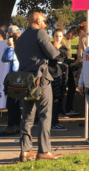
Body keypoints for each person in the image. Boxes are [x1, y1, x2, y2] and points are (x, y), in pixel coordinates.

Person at [15, 12, 62, 161]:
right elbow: (53, 54)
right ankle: (44, 151)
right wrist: (57, 46)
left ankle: (25, 150)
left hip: (24, 80)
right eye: (44, 21)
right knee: (44, 115)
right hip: (40, 80)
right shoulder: (40, 33)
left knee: (27, 116)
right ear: (37, 21)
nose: (45, 24)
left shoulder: (21, 37)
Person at [0, 33, 20, 136]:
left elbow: (6, 58)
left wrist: (11, 46)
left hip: (14, 81)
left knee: (12, 104)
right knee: (15, 104)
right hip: (17, 80)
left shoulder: (15, 51)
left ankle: (11, 126)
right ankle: (17, 125)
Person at [50, 29, 69, 132]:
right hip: (52, 75)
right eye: (56, 36)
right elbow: (55, 59)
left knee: (60, 97)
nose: (58, 38)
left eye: (60, 36)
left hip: (61, 75)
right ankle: (54, 122)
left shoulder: (64, 48)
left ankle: (57, 117)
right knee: (54, 99)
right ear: (53, 36)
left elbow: (64, 60)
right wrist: (55, 50)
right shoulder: (50, 48)